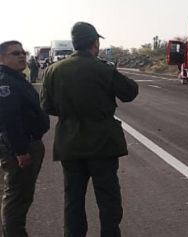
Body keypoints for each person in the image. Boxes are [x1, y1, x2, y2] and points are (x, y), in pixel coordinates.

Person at [41, 22, 138, 237]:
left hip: (70, 144)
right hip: (103, 144)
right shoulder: (103, 68)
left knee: (73, 200)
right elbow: (130, 92)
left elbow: (47, 106)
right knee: (108, 199)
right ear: (95, 43)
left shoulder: (53, 71)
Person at [0, 41, 50, 237]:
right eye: (15, 53)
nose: (21, 56)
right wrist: (21, 151)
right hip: (22, 147)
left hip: (29, 143)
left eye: (23, 52)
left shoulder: (16, 79)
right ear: (2, 58)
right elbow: (9, 120)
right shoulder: (5, 81)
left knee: (22, 197)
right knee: (16, 199)